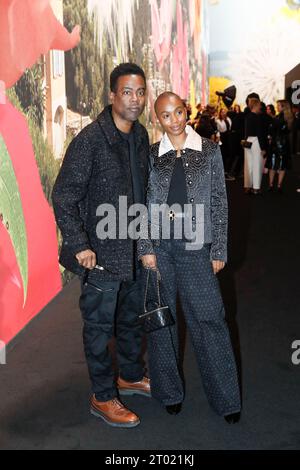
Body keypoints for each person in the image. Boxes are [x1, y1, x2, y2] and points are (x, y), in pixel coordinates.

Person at [52, 63, 151, 428]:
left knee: (129, 322)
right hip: (102, 257)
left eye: (140, 91)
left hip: (135, 251)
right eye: (127, 91)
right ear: (112, 95)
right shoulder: (91, 140)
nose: (135, 99)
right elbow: (63, 196)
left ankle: (129, 374)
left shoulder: (139, 136)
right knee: (98, 328)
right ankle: (102, 395)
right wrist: (79, 244)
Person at [138, 92, 241, 424]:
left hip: (197, 249)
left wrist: (219, 249)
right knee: (162, 322)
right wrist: (146, 247)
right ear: (159, 120)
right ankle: (168, 393)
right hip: (161, 249)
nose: (175, 120)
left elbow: (219, 203)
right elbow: (144, 205)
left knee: (210, 320)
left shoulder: (209, 151)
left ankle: (227, 400)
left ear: (186, 111)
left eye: (179, 112)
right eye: (166, 116)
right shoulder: (152, 155)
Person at [266, 100, 294, 193]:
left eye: (278, 105)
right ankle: (278, 185)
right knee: (281, 166)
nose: (277, 107)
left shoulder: (278, 118)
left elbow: (272, 129)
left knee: (273, 165)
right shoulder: (289, 118)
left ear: (283, 107)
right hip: (284, 144)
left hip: (276, 144)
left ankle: (271, 185)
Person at [244, 98, 267, 194]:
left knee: (248, 165)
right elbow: (260, 133)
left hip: (248, 141)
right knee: (257, 164)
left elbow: (245, 131)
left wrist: (245, 141)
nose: (260, 107)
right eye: (259, 105)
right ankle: (256, 188)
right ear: (256, 105)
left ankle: (247, 186)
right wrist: (263, 148)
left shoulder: (247, 117)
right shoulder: (258, 118)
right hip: (256, 141)